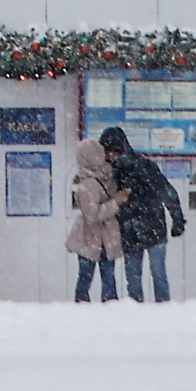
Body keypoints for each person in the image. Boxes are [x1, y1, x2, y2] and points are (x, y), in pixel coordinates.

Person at [101, 126, 186, 303]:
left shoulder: (117, 171)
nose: (107, 155)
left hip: (132, 229)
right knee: (157, 274)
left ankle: (137, 312)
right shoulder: (142, 166)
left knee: (134, 277)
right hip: (152, 227)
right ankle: (162, 310)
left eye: (108, 151)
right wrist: (177, 219)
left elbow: (167, 192)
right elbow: (167, 192)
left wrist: (177, 220)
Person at [67, 138, 126, 303]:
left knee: (96, 277)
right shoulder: (89, 184)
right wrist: (116, 202)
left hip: (99, 240)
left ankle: (91, 307)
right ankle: (90, 309)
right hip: (92, 238)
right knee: (94, 278)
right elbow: (93, 215)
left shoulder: (99, 178)